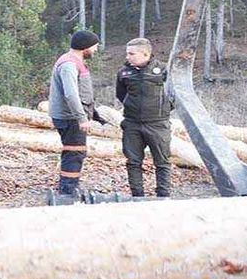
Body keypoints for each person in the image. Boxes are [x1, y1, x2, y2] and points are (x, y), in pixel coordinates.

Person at [115, 38, 173, 197]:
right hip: (132, 124)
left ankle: (163, 196)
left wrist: (164, 109)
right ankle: (137, 196)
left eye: (132, 54)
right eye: (127, 53)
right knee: (133, 162)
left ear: (145, 54)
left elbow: (174, 94)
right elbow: (121, 95)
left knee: (162, 162)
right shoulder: (124, 72)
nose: (128, 57)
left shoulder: (163, 70)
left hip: (158, 124)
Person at [48, 30, 102, 195]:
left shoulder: (72, 61)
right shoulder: (69, 64)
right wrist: (81, 118)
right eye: (94, 46)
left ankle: (69, 186)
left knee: (75, 151)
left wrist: (95, 114)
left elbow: (81, 93)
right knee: (74, 152)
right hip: (69, 118)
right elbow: (71, 94)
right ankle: (68, 191)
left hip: (71, 116)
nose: (95, 50)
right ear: (85, 47)